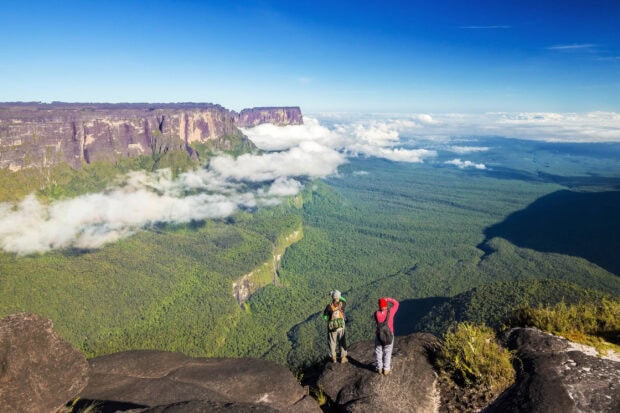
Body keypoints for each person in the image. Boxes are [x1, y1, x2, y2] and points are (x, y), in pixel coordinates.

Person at [374, 296, 399, 375]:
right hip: (389, 334)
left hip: (379, 335)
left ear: (379, 306)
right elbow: (396, 303)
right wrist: (388, 299)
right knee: (387, 351)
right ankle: (386, 369)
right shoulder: (390, 312)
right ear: (386, 304)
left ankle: (379, 368)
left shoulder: (376, 314)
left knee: (378, 351)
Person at [323, 289, 348, 363]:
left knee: (332, 342)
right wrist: (337, 295)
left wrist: (329, 318)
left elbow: (324, 317)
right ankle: (343, 357)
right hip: (341, 326)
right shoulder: (343, 304)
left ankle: (333, 358)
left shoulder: (328, 307)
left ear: (332, 298)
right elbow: (343, 299)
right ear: (339, 297)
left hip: (332, 328)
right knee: (342, 341)